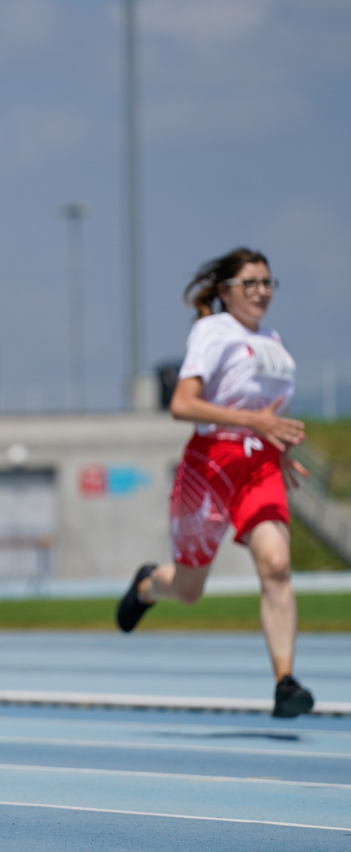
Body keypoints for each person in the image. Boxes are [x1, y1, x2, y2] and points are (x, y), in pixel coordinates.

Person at [116, 247, 314, 718]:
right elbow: (182, 404)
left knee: (277, 565)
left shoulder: (272, 340)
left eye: (267, 282)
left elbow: (269, 408)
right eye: (250, 283)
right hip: (210, 465)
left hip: (260, 464)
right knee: (189, 590)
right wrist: (252, 421)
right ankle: (148, 585)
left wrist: (279, 446)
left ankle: (285, 683)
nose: (262, 291)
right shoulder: (213, 331)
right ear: (225, 291)